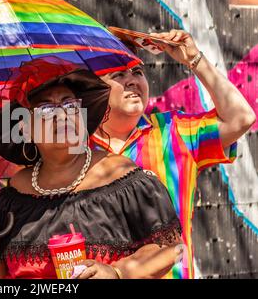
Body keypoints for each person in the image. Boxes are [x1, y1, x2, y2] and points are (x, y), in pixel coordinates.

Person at [0, 57, 182, 279]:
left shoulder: (120, 175)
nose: (62, 114)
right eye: (47, 108)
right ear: (25, 128)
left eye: (70, 104)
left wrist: (117, 272)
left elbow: (171, 248)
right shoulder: (13, 194)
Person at [91, 29, 256, 279]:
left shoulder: (174, 131)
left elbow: (242, 118)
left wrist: (194, 59)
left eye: (138, 71)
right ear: (95, 89)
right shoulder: (75, 147)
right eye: (119, 75)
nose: (133, 80)